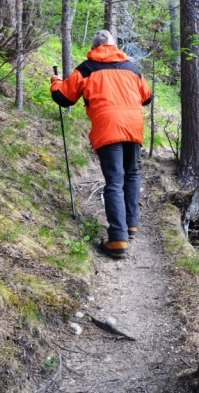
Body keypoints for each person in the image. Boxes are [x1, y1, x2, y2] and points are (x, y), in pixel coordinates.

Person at [50, 30, 152, 259]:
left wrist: (56, 83)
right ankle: (130, 224)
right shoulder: (132, 68)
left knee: (115, 180)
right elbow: (147, 97)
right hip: (133, 125)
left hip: (108, 126)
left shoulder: (87, 68)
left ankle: (117, 238)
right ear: (114, 46)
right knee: (132, 174)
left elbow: (64, 98)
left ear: (95, 47)